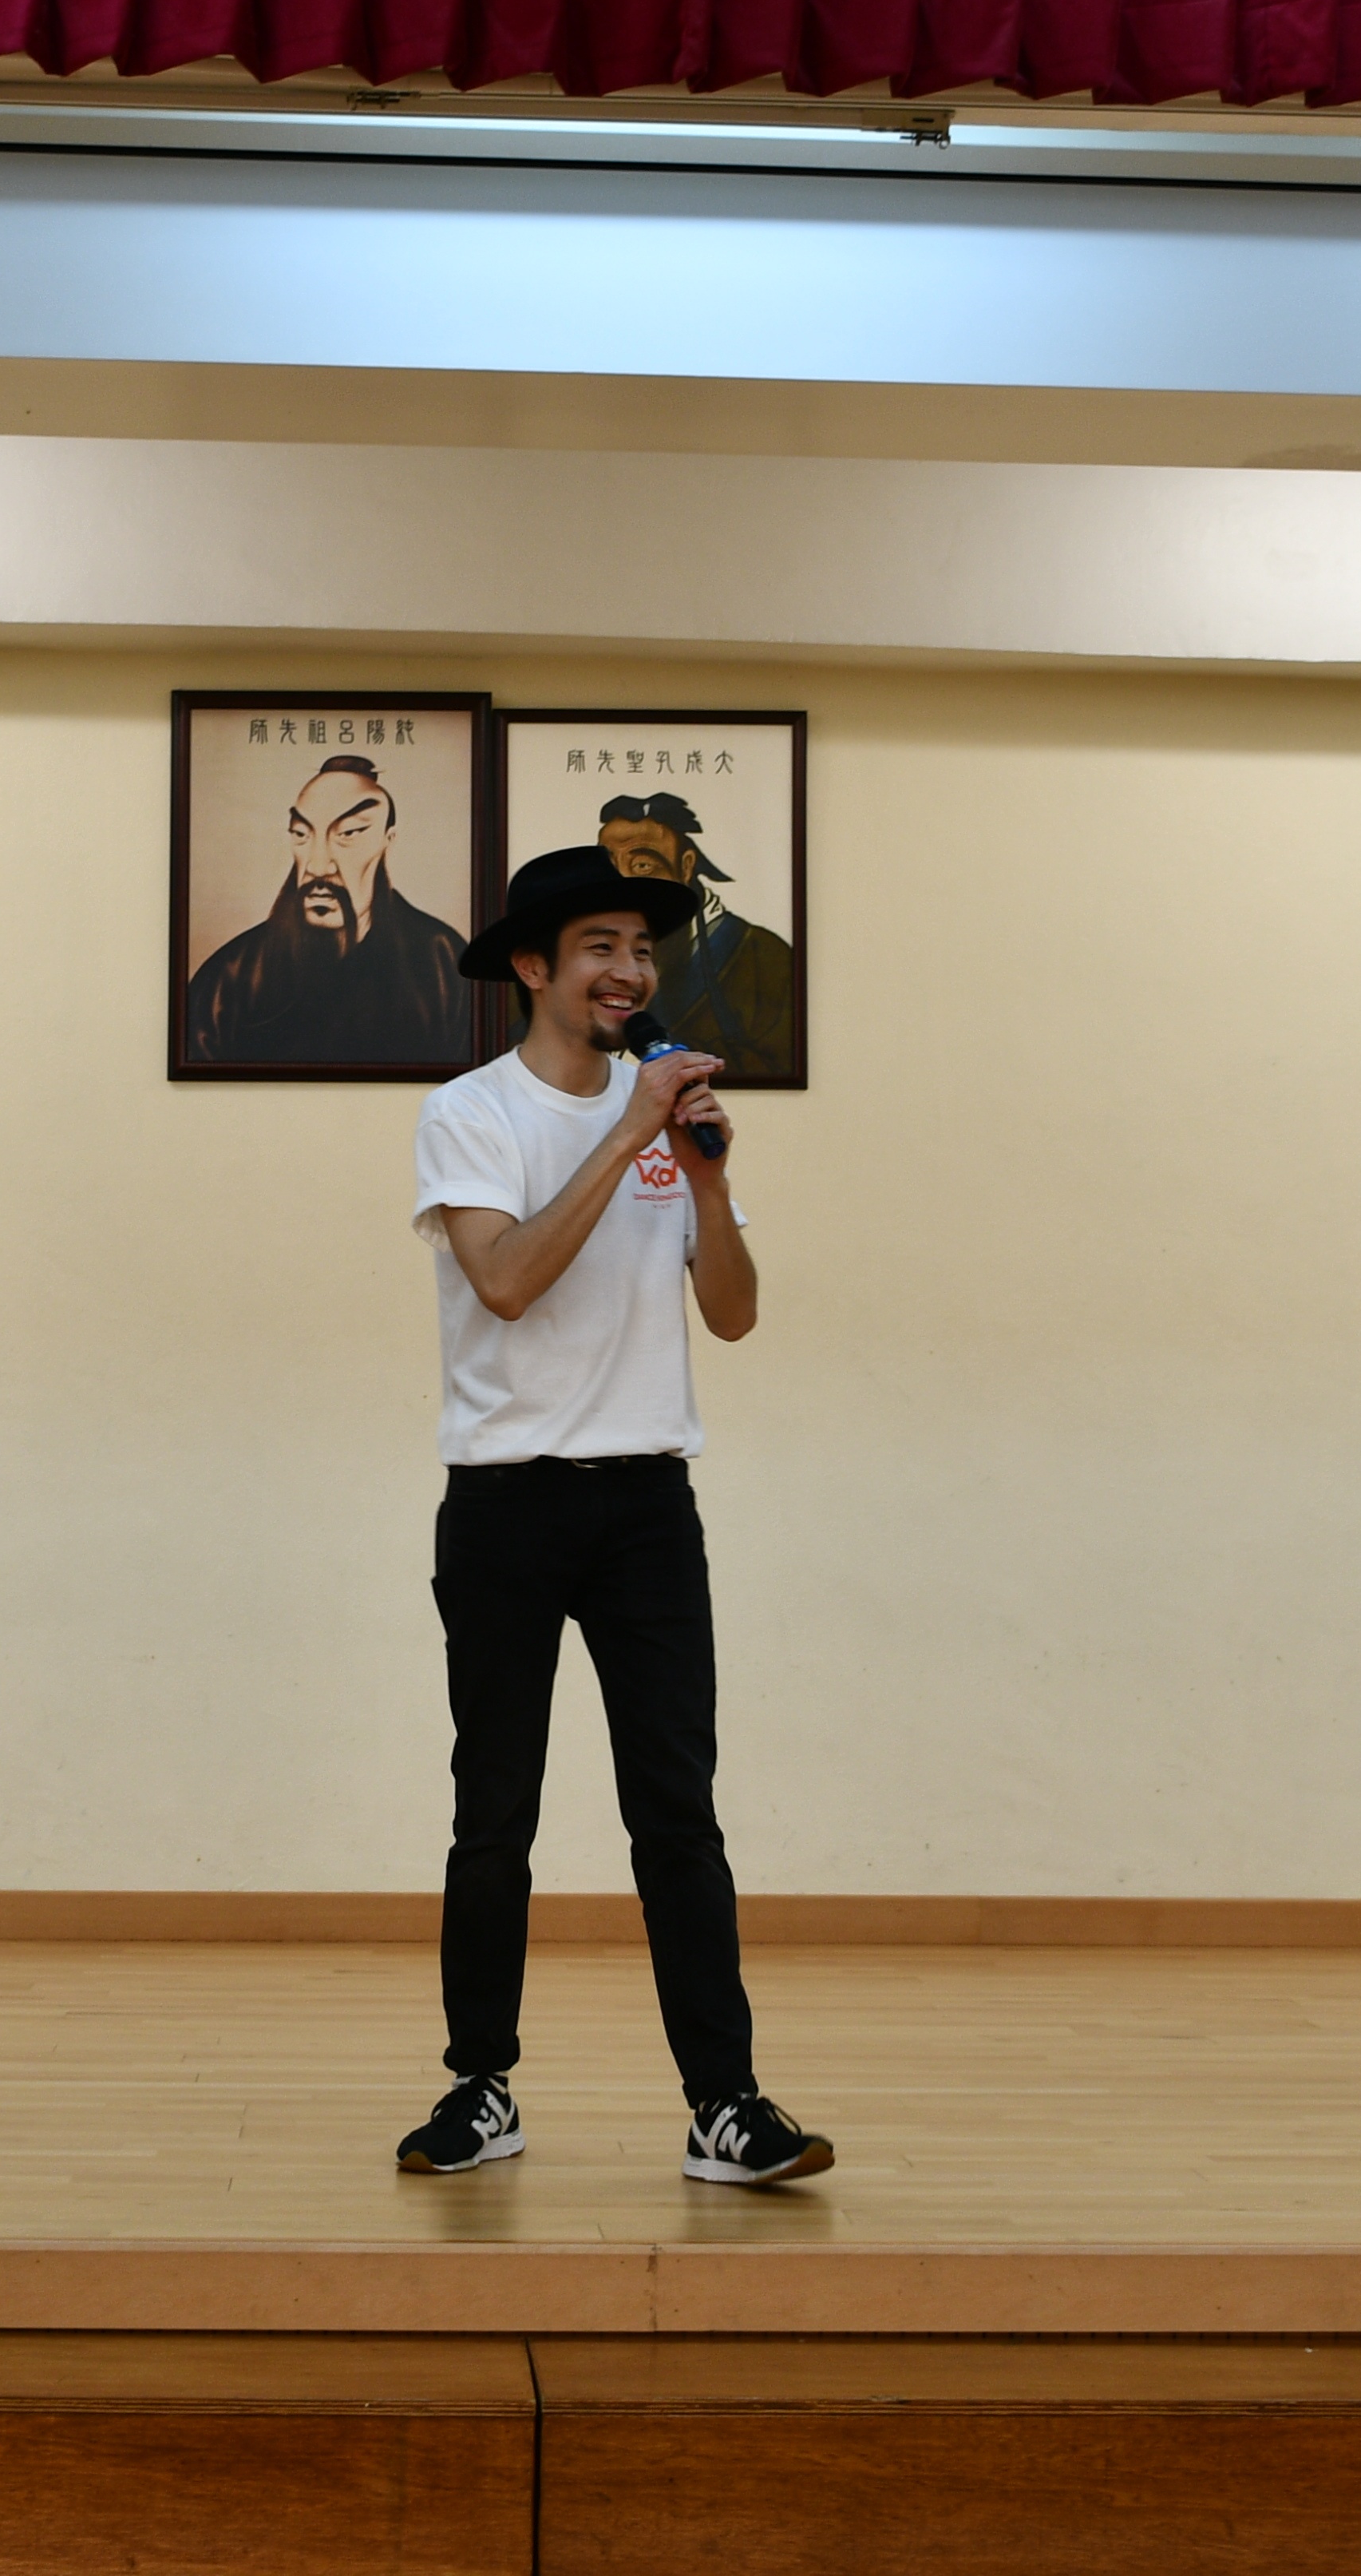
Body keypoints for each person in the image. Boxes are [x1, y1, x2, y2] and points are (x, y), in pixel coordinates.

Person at [391, 842, 831, 2187]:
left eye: (642, 949)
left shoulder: (665, 1121)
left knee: (677, 1811)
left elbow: (734, 1315)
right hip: (505, 1502)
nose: (629, 971)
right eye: (600, 947)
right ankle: (480, 2086)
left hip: (647, 1504)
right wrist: (631, 1132)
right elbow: (508, 1280)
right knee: (495, 1810)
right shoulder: (471, 1113)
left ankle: (724, 2104)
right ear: (534, 965)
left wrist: (704, 1176)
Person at [185, 755, 473, 1068]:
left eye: (349, 833)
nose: (319, 866)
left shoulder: (443, 961)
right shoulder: (231, 975)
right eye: (301, 834)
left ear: (387, 841)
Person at [596, 790, 801, 1079]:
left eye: (643, 866)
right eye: (608, 868)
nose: (621, 886)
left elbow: (778, 1064)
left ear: (686, 866)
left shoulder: (762, 957)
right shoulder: (576, 962)